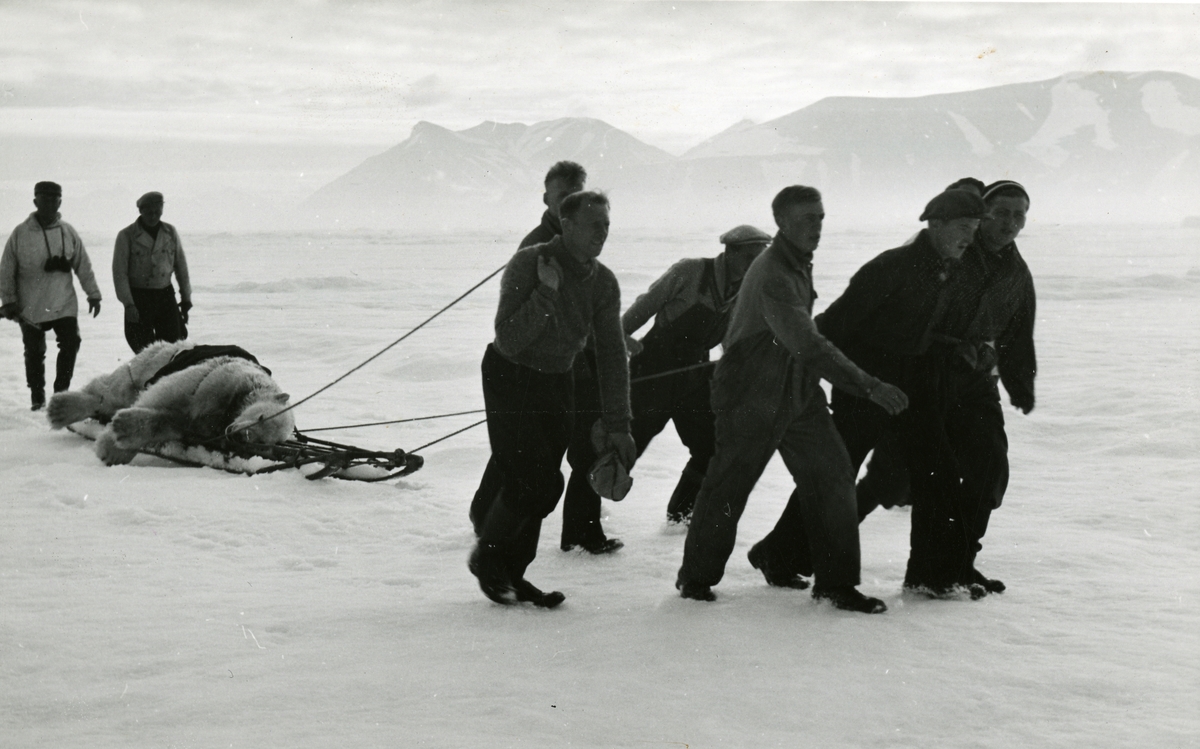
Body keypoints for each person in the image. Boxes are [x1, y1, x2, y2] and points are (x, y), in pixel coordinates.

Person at [674, 185, 908, 613]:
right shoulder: (775, 273)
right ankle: (696, 579)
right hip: (751, 393)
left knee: (833, 478)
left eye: (819, 217)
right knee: (730, 485)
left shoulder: (797, 261)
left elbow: (804, 343)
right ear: (781, 222)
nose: (815, 227)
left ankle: (836, 585)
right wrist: (870, 386)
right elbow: (809, 344)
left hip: (797, 391)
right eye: (805, 219)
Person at [768, 186, 1005, 600]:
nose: (970, 237)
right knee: (837, 476)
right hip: (866, 384)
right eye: (964, 228)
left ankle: (932, 576)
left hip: (914, 384)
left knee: (940, 472)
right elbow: (838, 321)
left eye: (975, 228)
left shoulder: (948, 268)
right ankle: (783, 556)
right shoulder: (893, 266)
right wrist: (793, 354)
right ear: (936, 225)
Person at [468, 190, 636, 608]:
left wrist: (619, 425)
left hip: (559, 380)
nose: (603, 233)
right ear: (568, 224)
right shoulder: (531, 262)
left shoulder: (603, 282)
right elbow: (508, 337)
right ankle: (488, 562)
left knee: (546, 483)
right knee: (534, 478)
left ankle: (513, 575)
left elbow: (613, 357)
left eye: (607, 225)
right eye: (594, 224)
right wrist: (545, 294)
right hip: (511, 375)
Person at [855, 180, 1036, 527]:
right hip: (922, 375)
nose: (1009, 223)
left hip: (975, 380)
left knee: (989, 470)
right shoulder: (950, 252)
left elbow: (1018, 333)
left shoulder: (1016, 272)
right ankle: (788, 550)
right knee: (893, 478)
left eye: (1019, 215)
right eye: (1001, 213)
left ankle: (960, 564)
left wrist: (1020, 383)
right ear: (982, 215)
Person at [621, 224, 770, 523]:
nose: (755, 265)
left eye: (760, 259)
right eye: (749, 257)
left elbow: (733, 340)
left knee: (712, 446)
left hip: (694, 377)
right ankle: (581, 530)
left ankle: (681, 516)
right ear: (730, 253)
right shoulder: (689, 271)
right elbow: (644, 307)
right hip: (653, 372)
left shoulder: (744, 290)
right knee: (624, 448)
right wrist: (620, 338)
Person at [1, 181, 102, 410]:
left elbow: (82, 264)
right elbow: (6, 269)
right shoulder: (20, 234)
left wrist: (93, 294)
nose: (49, 204)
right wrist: (8, 301)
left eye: (54, 199)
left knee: (71, 342)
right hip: (30, 305)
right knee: (35, 352)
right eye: (44, 199)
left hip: (63, 302)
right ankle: (38, 397)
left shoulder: (68, 232)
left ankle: (61, 394)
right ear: (35, 201)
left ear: (60, 202)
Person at [113, 191, 192, 353]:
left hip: (165, 297)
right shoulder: (126, 236)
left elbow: (181, 268)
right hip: (139, 299)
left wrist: (186, 299)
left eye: (157, 211)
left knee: (173, 348)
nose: (153, 216)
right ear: (141, 211)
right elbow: (120, 274)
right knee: (144, 352)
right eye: (149, 212)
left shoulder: (170, 232)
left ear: (162, 210)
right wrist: (128, 305)